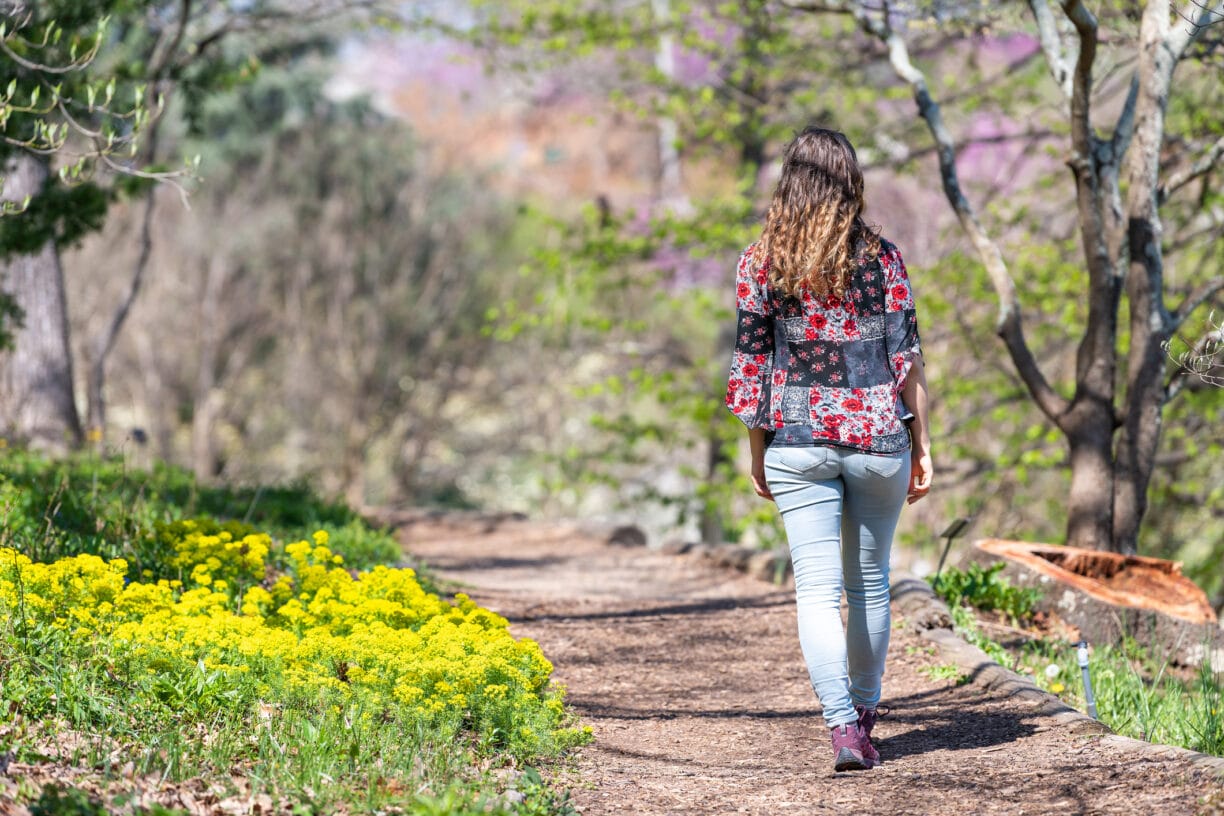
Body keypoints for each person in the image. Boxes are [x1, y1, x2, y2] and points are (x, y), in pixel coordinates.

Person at [725, 126, 932, 772]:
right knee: (870, 585)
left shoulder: (761, 263)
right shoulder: (884, 261)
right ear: (852, 183)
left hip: (795, 440)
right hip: (877, 438)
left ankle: (842, 729)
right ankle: (865, 720)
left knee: (816, 591)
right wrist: (924, 445)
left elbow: (750, 369)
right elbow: (908, 365)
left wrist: (757, 452)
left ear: (790, 181)